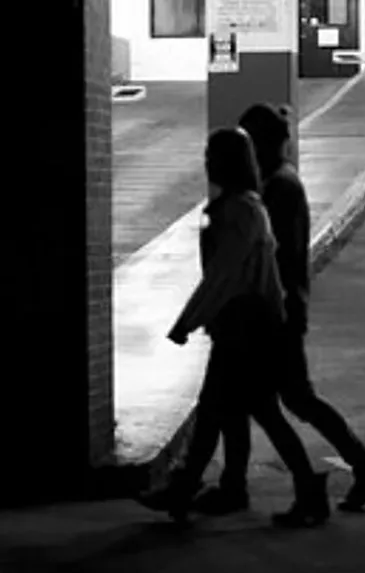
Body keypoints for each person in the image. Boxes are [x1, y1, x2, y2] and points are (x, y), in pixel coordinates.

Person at [187, 104, 365, 518]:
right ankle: (240, 484)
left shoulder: (277, 188)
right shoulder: (278, 183)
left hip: (273, 312)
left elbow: (263, 257)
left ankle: (352, 470)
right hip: (276, 309)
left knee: (283, 400)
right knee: (269, 400)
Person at [136, 127, 329, 526]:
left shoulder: (239, 211)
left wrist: (187, 321)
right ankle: (192, 488)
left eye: (213, 154)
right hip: (246, 329)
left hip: (243, 332)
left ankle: (191, 488)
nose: (207, 161)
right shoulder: (246, 207)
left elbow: (224, 275)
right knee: (227, 413)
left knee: (242, 412)